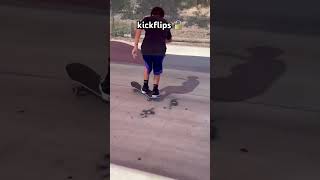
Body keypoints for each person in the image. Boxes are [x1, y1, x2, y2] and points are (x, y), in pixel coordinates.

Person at [131, 7, 172, 98]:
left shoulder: (146, 19)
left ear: (152, 13)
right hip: (159, 50)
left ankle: (145, 87)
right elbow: (169, 39)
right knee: (157, 69)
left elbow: (138, 31)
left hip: (147, 48)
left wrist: (135, 46)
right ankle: (155, 90)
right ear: (162, 15)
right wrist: (160, 40)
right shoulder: (165, 22)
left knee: (147, 66)